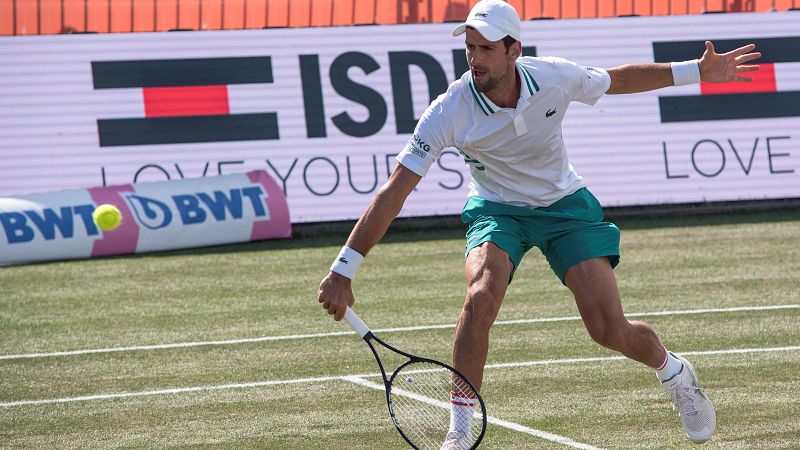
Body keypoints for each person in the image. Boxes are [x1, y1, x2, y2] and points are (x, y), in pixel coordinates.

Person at [318, 0, 760, 447]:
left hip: (563, 205)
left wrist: (696, 72)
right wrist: (343, 269)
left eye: (486, 49)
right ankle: (460, 432)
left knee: (609, 329)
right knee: (480, 295)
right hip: (497, 209)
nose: (474, 59)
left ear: (514, 51)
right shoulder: (448, 110)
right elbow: (396, 190)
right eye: (469, 48)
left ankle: (674, 373)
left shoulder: (554, 76)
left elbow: (616, 79)